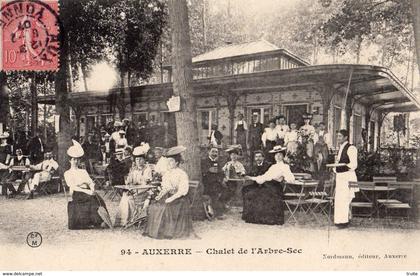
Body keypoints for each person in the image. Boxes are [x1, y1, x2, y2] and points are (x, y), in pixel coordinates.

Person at [144, 145, 195, 239]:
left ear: (177, 162)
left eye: (171, 161)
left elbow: (183, 190)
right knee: (154, 206)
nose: (169, 163)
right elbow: (166, 187)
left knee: (165, 207)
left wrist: (171, 198)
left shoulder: (182, 174)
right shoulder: (167, 173)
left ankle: (168, 232)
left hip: (180, 199)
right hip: (169, 196)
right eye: (168, 161)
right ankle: (156, 231)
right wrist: (160, 195)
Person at [65, 140, 112, 229]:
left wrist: (92, 189)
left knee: (98, 198)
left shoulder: (83, 171)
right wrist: (87, 191)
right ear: (69, 161)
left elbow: (90, 182)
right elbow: (73, 186)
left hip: (87, 190)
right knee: (91, 198)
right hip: (76, 192)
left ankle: (104, 219)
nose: (76, 162)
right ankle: (99, 222)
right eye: (74, 159)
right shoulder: (67, 173)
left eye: (77, 159)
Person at [246, 146, 295, 225]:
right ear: (274, 157)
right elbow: (264, 177)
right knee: (255, 192)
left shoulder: (285, 166)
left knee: (263, 193)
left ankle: (270, 219)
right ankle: (260, 218)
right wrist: (252, 178)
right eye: (276, 155)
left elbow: (290, 178)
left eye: (280, 155)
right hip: (267, 184)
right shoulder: (273, 166)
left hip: (275, 187)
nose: (278, 157)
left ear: (283, 156)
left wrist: (287, 178)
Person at [114, 143, 152, 227]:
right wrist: (129, 179)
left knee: (129, 199)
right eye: (137, 159)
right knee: (125, 196)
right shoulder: (133, 169)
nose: (138, 161)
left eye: (140, 159)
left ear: (144, 160)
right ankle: (122, 221)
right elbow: (129, 181)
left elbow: (146, 184)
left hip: (143, 192)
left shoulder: (147, 169)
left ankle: (132, 219)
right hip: (134, 190)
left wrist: (136, 187)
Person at [333, 129, 358, 228]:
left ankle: (344, 221)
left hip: (349, 177)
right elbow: (338, 163)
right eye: (337, 136)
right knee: (339, 199)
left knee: (345, 198)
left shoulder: (351, 148)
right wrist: (336, 168)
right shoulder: (340, 148)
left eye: (340, 136)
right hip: (341, 177)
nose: (338, 138)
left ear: (346, 137)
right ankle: (341, 220)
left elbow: (354, 164)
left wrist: (341, 167)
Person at [201, 147, 225, 219]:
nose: (214, 154)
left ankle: (219, 209)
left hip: (217, 183)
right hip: (207, 183)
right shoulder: (204, 161)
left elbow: (221, 173)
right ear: (209, 152)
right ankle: (215, 212)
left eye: (216, 152)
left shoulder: (218, 162)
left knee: (227, 188)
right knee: (213, 193)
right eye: (213, 152)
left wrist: (223, 178)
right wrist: (208, 170)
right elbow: (202, 172)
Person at [0, 132, 13, 197]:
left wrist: (7, 161)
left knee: (4, 177)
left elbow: (8, 154)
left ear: (6, 139)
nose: (3, 140)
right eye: (2, 139)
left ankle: (6, 192)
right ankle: (4, 192)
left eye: (4, 139)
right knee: (1, 176)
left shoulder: (8, 146)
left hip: (5, 161)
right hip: (0, 162)